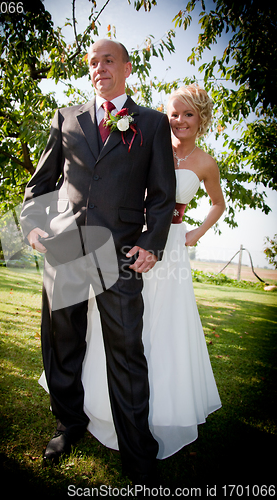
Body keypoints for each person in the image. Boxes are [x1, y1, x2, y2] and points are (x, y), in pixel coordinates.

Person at [20, 39, 176, 484]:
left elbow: (162, 197)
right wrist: (33, 226)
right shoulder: (66, 117)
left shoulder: (151, 123)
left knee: (126, 350)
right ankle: (69, 424)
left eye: (108, 60)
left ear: (127, 67)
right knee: (62, 341)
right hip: (65, 247)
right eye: (92, 62)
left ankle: (137, 449)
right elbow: (40, 184)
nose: (99, 68)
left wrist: (151, 242)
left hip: (120, 251)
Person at [81, 83, 225, 459]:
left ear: (201, 118)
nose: (179, 121)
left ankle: (161, 409)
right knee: (122, 318)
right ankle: (102, 398)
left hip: (171, 243)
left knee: (165, 320)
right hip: (134, 237)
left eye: (188, 114)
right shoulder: (145, 140)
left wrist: (195, 231)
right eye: (174, 113)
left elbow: (217, 204)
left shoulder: (206, 163)